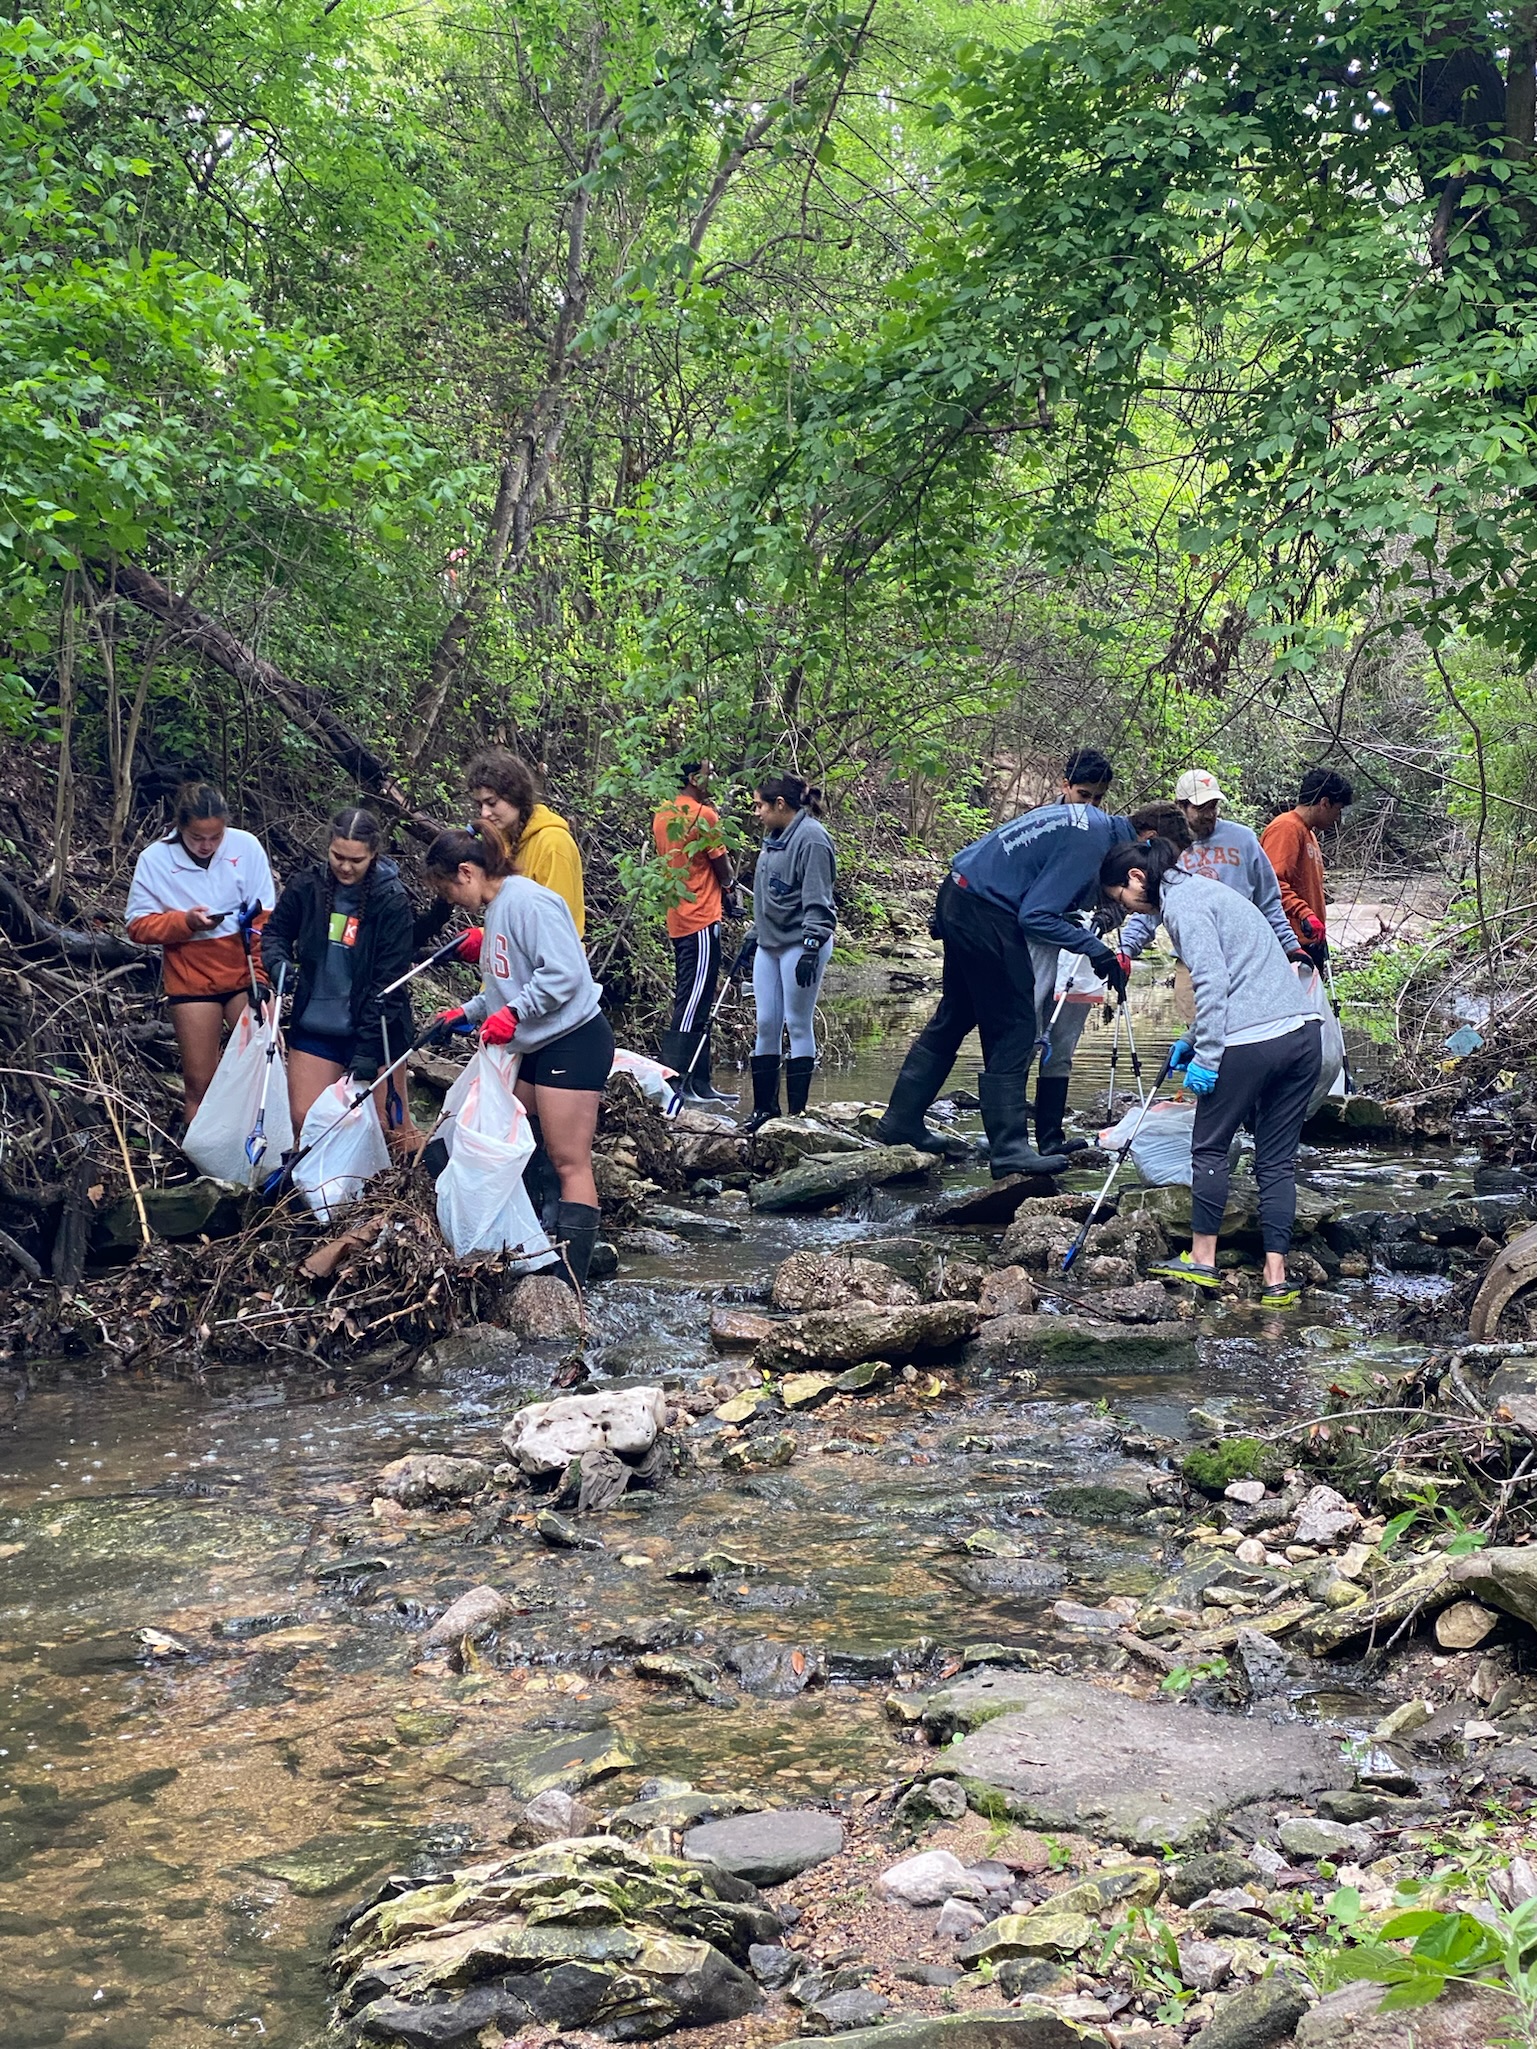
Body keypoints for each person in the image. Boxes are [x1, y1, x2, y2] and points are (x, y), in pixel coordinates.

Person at [1100, 835, 1321, 1306]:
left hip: (1252, 1041)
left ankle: (1202, 1260)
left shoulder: (1183, 905)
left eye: (1121, 899)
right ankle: (1275, 1278)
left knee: (1210, 1148)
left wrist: (1207, 1055)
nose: (1130, 911)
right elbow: (1243, 973)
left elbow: (1213, 980)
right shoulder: (1212, 891)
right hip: (1303, 1035)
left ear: (1136, 879)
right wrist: (1191, 1035)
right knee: (1276, 1160)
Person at [873, 781, 1134, 1178]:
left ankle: (900, 1121)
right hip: (987, 912)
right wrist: (1095, 948)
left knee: (955, 1016)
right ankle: (1009, 1149)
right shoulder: (1093, 839)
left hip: (960, 893)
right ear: (1144, 840)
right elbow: (1036, 916)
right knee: (1015, 1025)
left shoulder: (1082, 819)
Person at [422, 827, 613, 1291]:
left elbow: (566, 974)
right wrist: (464, 1014)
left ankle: (573, 1284)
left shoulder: (527, 902)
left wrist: (515, 1013)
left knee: (571, 1161)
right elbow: (506, 987)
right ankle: (535, 1243)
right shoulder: (497, 912)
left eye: (447, 888)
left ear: (467, 873)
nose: (448, 899)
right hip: (536, 1044)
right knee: (511, 1134)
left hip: (573, 1039)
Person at [260, 807, 417, 1142]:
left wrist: (368, 1048)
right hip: (317, 1023)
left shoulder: (392, 900)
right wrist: (277, 963)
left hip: (376, 1028)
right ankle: (316, 1191)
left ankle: (391, 1192)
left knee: (390, 1129)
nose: (345, 867)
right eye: (337, 856)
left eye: (356, 860)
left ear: (373, 853)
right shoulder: (308, 886)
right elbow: (275, 933)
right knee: (305, 1120)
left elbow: (388, 983)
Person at [125, 782, 275, 1120]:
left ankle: (270, 1151)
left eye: (215, 837)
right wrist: (185, 923)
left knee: (266, 1065)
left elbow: (265, 918)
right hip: (192, 981)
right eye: (197, 838)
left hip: (244, 974)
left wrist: (261, 975)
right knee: (200, 1082)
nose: (207, 845)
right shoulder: (155, 859)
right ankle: (202, 1163)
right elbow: (137, 926)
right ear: (180, 828)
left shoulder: (246, 847)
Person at [1120, 770, 1307, 966]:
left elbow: (1268, 902)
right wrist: (1125, 949)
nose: (1209, 814)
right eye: (1201, 808)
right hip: (1191, 963)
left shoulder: (1244, 840)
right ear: (1180, 806)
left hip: (1244, 960)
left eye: (1213, 806)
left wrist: (1291, 947)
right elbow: (1152, 906)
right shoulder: (1167, 848)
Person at [741, 774, 837, 1131]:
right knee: (766, 1022)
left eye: (760, 806)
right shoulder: (773, 839)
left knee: (797, 1022)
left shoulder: (813, 839)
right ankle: (765, 1110)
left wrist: (812, 945)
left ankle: (797, 1114)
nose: (757, 813)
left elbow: (818, 898)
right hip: (770, 942)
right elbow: (768, 897)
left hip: (802, 941)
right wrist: (754, 934)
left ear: (780, 805)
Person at [652, 760, 739, 1103]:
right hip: (700, 918)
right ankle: (678, 1083)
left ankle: (702, 1084)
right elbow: (722, 865)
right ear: (693, 778)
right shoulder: (704, 814)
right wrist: (730, 891)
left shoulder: (664, 812)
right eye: (709, 771)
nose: (714, 778)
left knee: (699, 1001)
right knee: (692, 1003)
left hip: (678, 917)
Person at [466, 750, 586, 937]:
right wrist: (486, 935)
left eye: (492, 802)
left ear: (515, 795)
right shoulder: (505, 841)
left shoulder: (553, 844)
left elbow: (557, 927)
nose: (484, 813)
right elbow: (511, 914)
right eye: (480, 805)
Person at [1260, 767, 1354, 969]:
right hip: (1290, 946)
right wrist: (1305, 913)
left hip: (1309, 940)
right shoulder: (1285, 828)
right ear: (1324, 803)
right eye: (1337, 810)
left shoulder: (1308, 834)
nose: (1337, 818)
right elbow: (1272, 883)